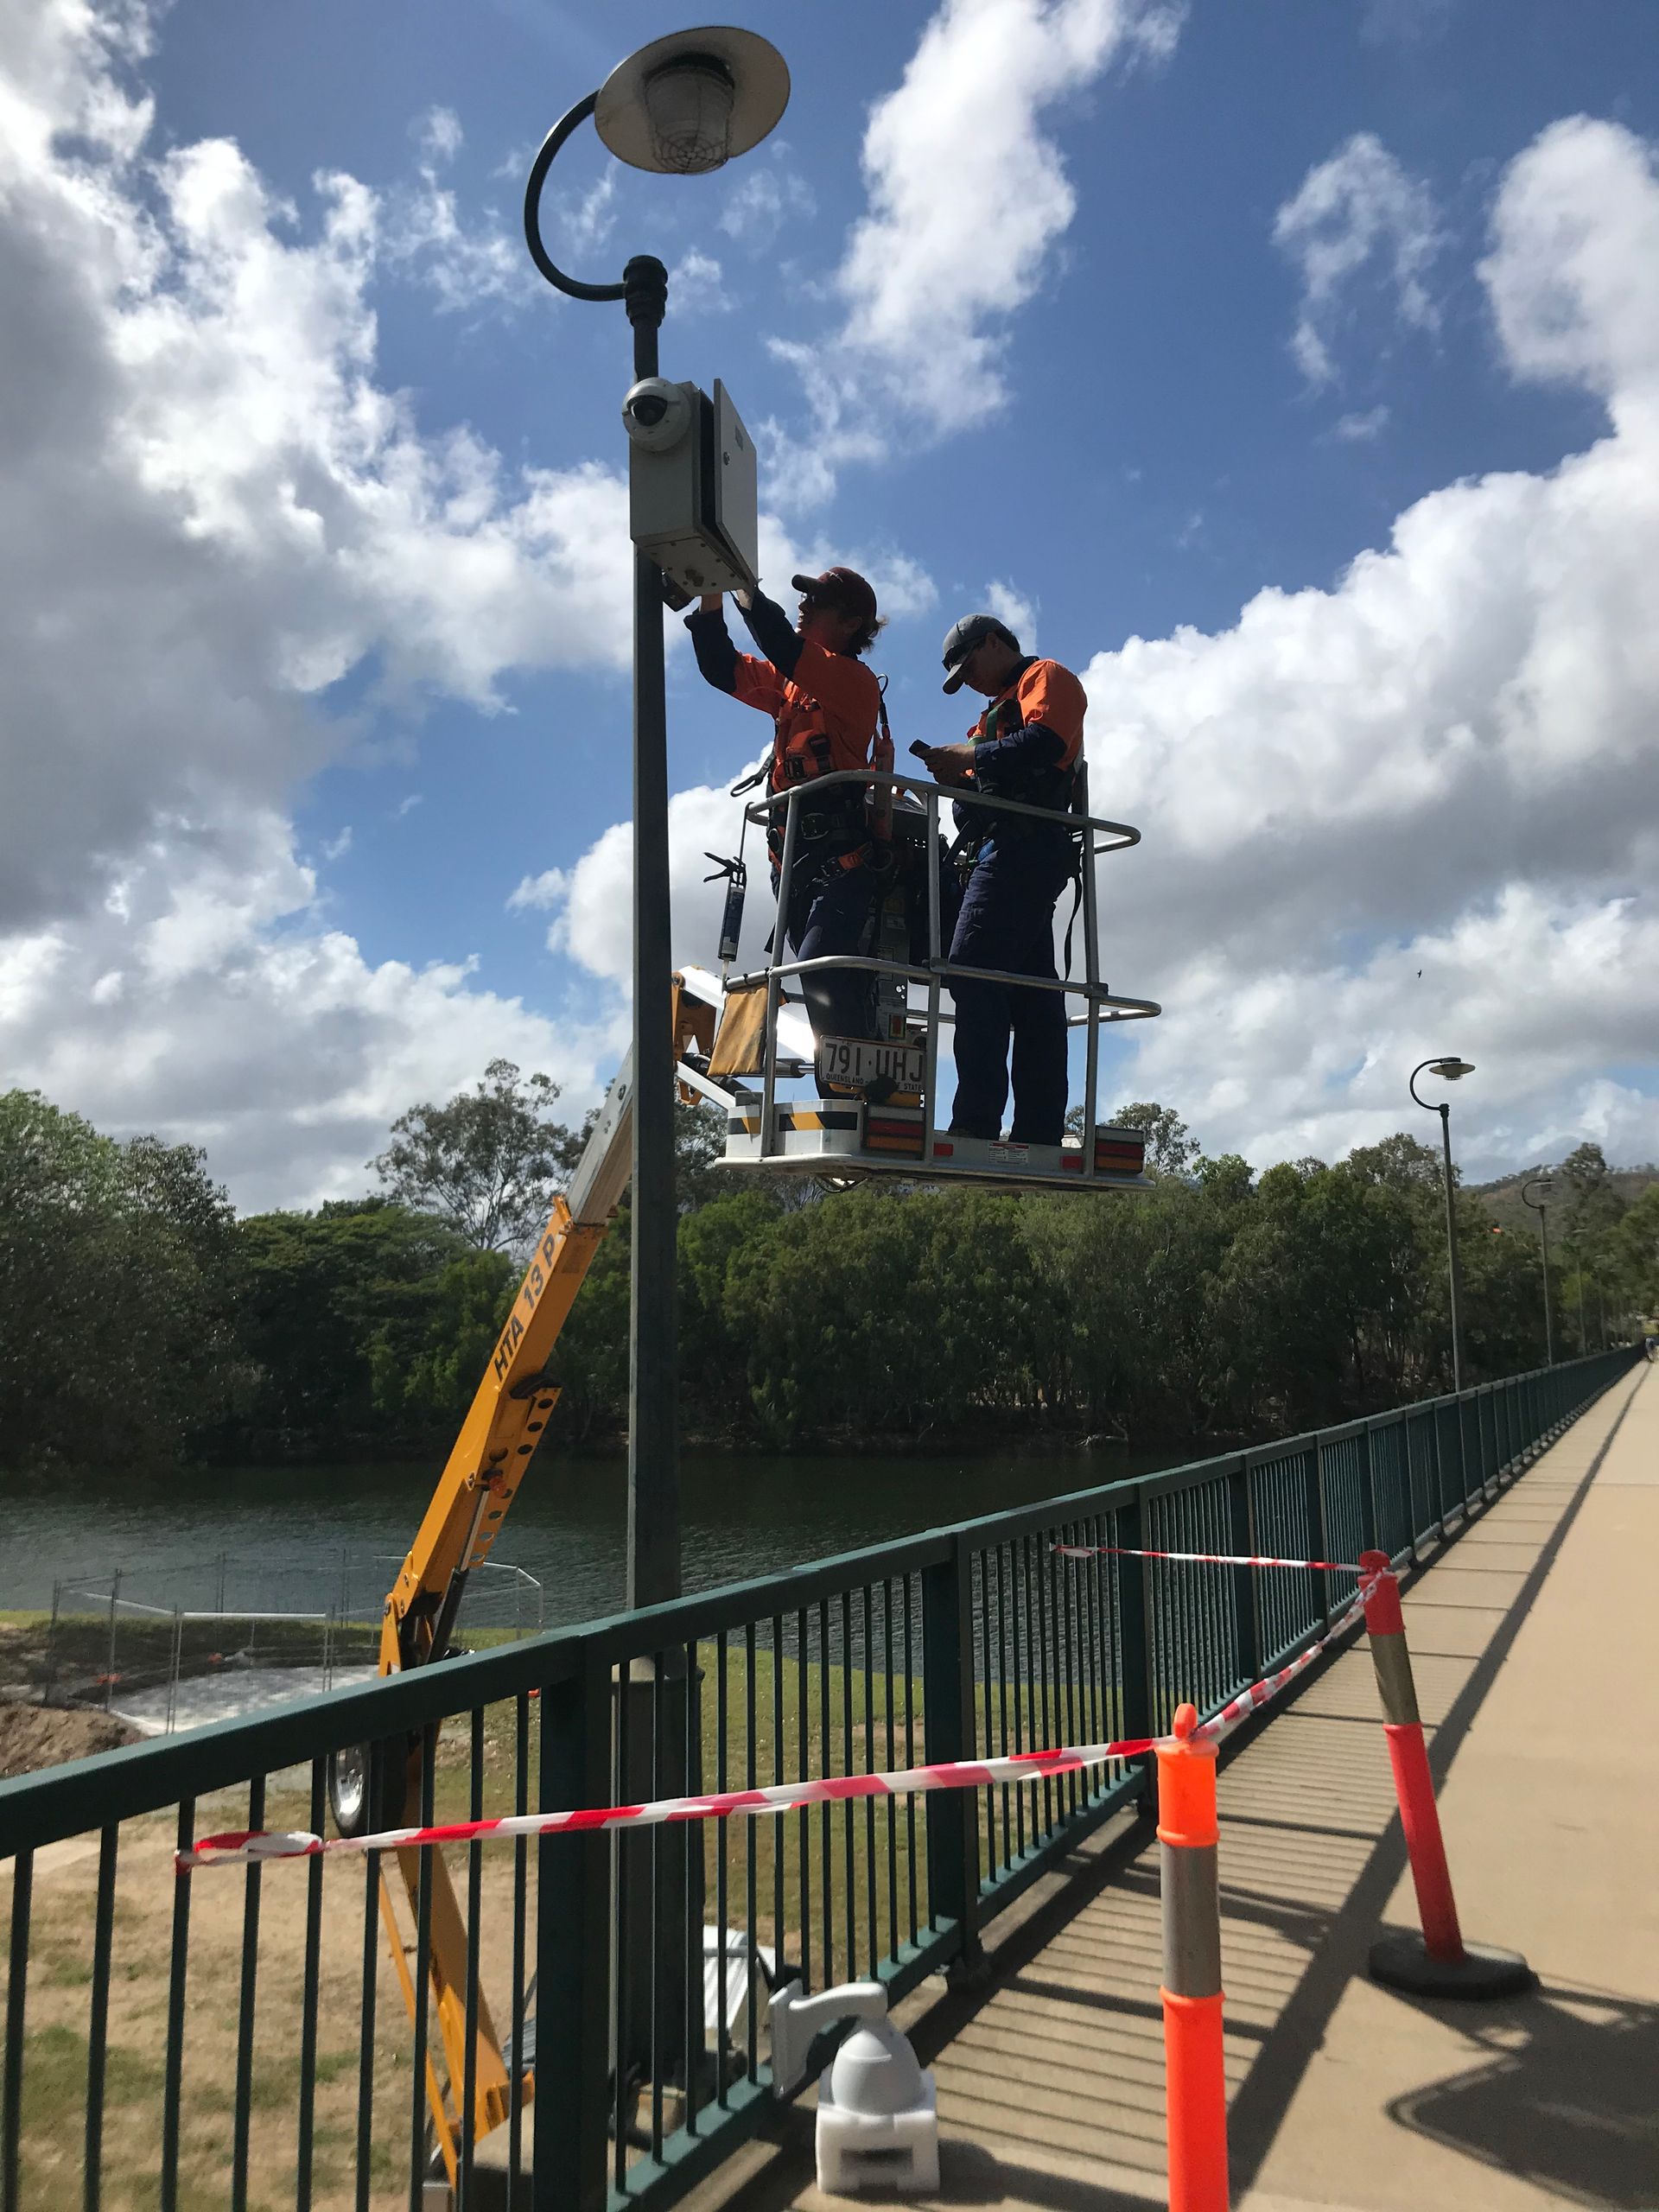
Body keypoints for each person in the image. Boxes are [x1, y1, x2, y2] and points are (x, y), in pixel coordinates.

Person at [686, 568, 884, 1048]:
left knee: (822, 963)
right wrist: (711, 600)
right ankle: (845, 1084)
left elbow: (777, 641)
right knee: (816, 970)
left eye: (818, 602)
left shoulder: (852, 681)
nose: (804, 607)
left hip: (842, 859)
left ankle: (852, 1086)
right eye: (805, 599)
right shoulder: (794, 682)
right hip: (793, 862)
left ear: (851, 622)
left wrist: (739, 584)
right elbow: (721, 668)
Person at [912, 613, 1087, 1147]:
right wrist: (950, 785)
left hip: (1025, 849)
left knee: (970, 970)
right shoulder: (989, 718)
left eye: (968, 668)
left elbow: (1043, 743)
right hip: (1007, 849)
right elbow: (979, 802)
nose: (968, 683)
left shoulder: (1046, 677)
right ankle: (1037, 1128)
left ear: (993, 643)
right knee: (1032, 992)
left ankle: (975, 1121)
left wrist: (966, 758)